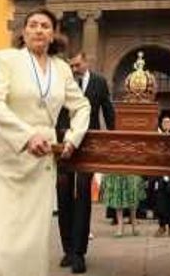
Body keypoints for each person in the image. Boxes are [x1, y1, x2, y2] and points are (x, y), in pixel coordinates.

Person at [0, 8, 90, 276]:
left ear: (53, 35)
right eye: (33, 25)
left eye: (45, 26)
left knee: (31, 240)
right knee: (0, 240)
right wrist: (26, 136)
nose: (39, 30)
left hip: (41, 161)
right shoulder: (6, 59)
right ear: (23, 33)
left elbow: (81, 106)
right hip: (5, 155)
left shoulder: (61, 69)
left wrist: (72, 139)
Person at [57, 51, 115, 274]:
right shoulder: (63, 83)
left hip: (89, 144)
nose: (74, 69)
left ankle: (80, 253)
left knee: (83, 194)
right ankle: (67, 250)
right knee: (63, 195)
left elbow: (108, 111)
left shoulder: (99, 82)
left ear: (86, 62)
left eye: (77, 65)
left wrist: (113, 139)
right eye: (71, 66)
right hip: (63, 142)